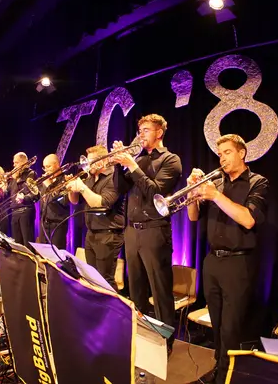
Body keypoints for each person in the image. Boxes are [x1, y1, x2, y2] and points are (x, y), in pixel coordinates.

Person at [187, 134, 269, 384]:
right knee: (217, 323)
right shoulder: (216, 183)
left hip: (239, 263)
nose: (222, 158)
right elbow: (192, 217)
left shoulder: (258, 182)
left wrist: (215, 196)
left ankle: (227, 376)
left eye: (227, 152)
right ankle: (219, 368)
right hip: (212, 261)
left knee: (231, 327)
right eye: (220, 154)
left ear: (241, 153)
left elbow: (248, 219)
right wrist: (192, 193)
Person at [112, 114, 181, 354]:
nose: (141, 134)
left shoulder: (170, 160)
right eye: (139, 130)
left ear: (159, 132)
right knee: (136, 290)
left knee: (160, 292)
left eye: (146, 130)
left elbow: (155, 193)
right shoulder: (138, 159)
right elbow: (120, 188)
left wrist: (132, 165)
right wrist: (118, 164)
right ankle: (140, 336)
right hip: (132, 232)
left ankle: (165, 343)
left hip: (154, 231)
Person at [66, 145, 125, 290]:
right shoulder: (90, 179)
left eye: (91, 161)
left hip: (108, 234)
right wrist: (71, 189)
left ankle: (112, 304)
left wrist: (82, 188)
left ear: (102, 161)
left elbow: (100, 204)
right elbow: (75, 201)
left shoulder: (113, 178)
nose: (87, 165)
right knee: (92, 277)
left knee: (105, 279)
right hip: (91, 233)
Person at [20, 153, 70, 250]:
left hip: (57, 226)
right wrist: (25, 198)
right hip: (44, 224)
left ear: (57, 165)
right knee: (44, 254)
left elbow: (63, 201)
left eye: (48, 166)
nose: (46, 170)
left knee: (56, 255)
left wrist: (49, 185)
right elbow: (38, 196)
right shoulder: (46, 181)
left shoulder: (65, 180)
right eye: (44, 167)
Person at [9, 152, 37, 247]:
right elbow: (9, 192)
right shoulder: (15, 176)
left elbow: (30, 192)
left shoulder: (31, 174)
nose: (14, 165)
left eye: (16, 162)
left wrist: (17, 180)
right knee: (17, 244)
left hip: (25, 211)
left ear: (23, 163)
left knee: (27, 243)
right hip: (14, 212)